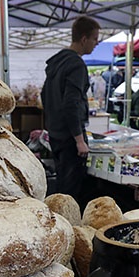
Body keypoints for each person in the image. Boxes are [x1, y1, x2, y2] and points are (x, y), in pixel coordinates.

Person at [42, 15, 100, 206]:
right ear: (84, 39)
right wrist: (80, 140)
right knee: (71, 193)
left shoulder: (56, 64)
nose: (96, 43)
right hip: (69, 139)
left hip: (56, 134)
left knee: (62, 188)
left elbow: (44, 97)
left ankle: (61, 225)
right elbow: (71, 103)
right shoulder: (76, 64)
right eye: (94, 39)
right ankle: (70, 229)